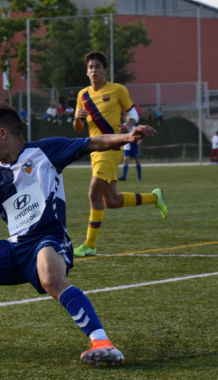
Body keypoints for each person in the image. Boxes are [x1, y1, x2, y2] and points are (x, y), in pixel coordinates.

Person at [0, 101, 157, 364]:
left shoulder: (44, 152)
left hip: (49, 240)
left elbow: (91, 142)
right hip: (15, 249)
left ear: (3, 134)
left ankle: (102, 343)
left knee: (50, 276)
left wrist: (127, 137)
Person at [72, 51, 168, 258]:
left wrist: (129, 126)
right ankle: (154, 197)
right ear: (86, 71)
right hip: (93, 150)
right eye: (90, 67)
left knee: (93, 195)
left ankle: (90, 245)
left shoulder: (117, 90)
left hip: (111, 149)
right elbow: (78, 129)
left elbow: (132, 112)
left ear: (105, 70)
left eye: (98, 66)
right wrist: (78, 119)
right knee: (111, 201)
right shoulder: (82, 95)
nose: (94, 70)